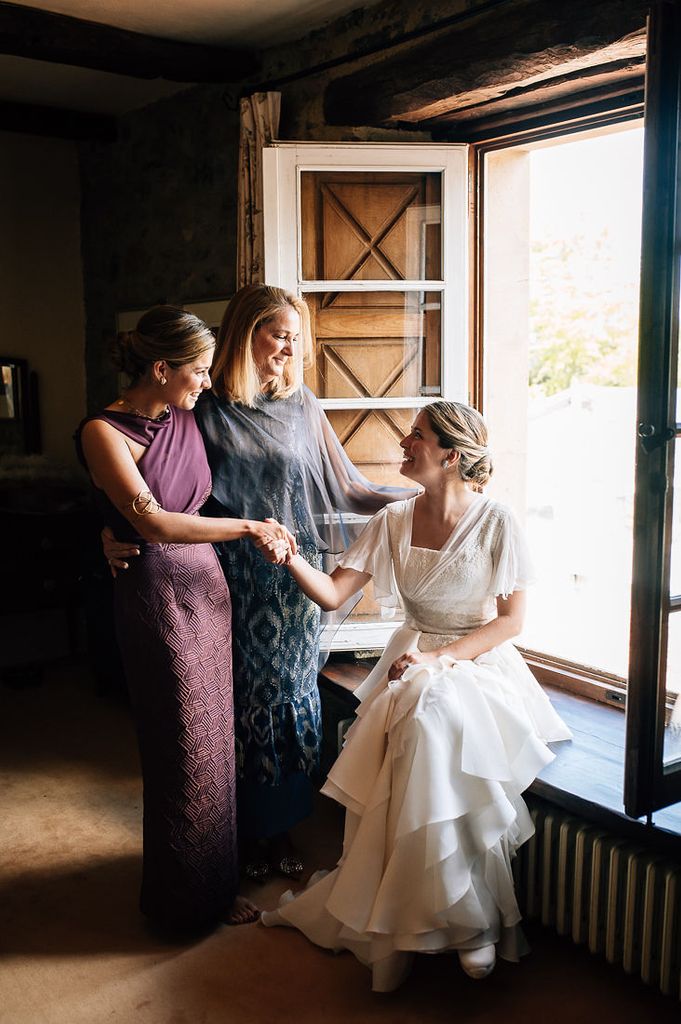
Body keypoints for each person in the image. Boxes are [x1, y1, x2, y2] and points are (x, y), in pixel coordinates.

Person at [104, 284, 414, 883]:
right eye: (280, 334)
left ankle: (284, 826)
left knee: (296, 701)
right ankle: (244, 834)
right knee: (242, 708)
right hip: (232, 578)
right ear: (247, 335)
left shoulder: (305, 406)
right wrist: (112, 531)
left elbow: (353, 491)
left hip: (295, 580)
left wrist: (433, 501)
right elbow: (147, 478)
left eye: (298, 338)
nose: (290, 348)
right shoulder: (201, 406)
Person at [261, 400, 572, 990]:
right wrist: (289, 555)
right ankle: (423, 928)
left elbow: (510, 624)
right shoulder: (392, 521)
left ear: (451, 455)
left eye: (417, 436)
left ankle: (449, 926)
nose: (404, 442)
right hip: (410, 660)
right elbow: (331, 594)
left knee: (428, 715)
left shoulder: (497, 521)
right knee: (413, 719)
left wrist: (436, 659)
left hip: (476, 662)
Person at [76, 305, 294, 932]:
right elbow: (150, 521)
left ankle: (216, 885)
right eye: (196, 371)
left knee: (214, 744)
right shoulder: (103, 431)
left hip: (205, 583)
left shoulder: (185, 411)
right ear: (162, 367)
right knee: (179, 745)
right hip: (155, 591)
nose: (205, 382)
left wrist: (279, 339)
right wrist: (250, 526)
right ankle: (182, 899)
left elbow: (254, 361)